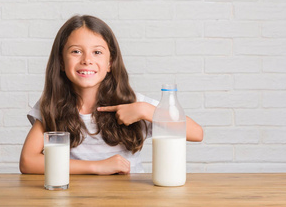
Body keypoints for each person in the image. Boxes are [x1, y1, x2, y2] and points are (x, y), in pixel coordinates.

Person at [19, 15, 203, 175]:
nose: (87, 60)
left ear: (110, 63)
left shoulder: (134, 104)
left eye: (97, 52)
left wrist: (145, 110)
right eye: (76, 51)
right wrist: (96, 167)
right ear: (60, 61)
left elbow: (196, 133)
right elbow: (28, 162)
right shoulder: (53, 105)